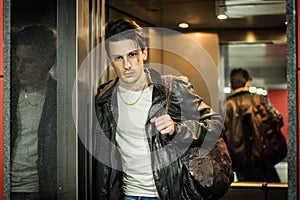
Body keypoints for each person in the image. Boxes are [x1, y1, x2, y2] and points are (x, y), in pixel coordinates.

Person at [94, 18, 233, 200]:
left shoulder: (172, 89)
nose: (127, 65)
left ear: (144, 53)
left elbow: (216, 124)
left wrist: (179, 129)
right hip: (127, 194)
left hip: (166, 195)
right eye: (118, 58)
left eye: (132, 55)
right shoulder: (104, 99)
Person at [10, 24, 57, 200]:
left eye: (28, 61)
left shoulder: (59, 97)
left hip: (38, 188)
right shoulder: (8, 95)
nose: (19, 68)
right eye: (17, 59)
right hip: (6, 184)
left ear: (48, 61)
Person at [224, 68, 282, 182]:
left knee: (248, 192)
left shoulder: (224, 105)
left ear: (231, 85)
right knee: (273, 191)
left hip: (238, 163)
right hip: (261, 159)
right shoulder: (258, 99)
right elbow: (277, 120)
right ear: (248, 83)